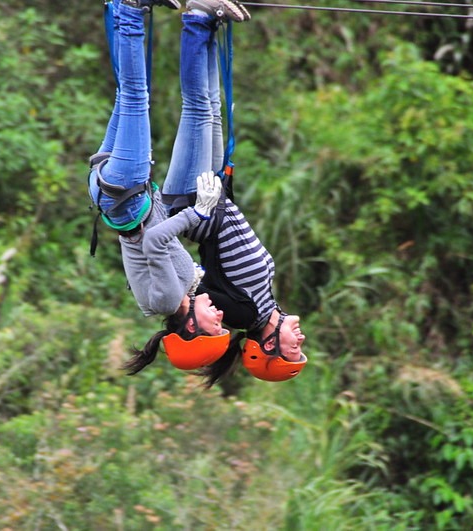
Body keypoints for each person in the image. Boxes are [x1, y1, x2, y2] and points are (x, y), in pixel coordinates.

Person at [128, 0, 308, 385]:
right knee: (209, 107)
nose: (301, 339)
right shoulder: (263, 306)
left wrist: (198, 215)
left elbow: (197, 286)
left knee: (198, 109)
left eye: (294, 347)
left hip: (196, 201)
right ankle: (206, 22)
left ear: (268, 346)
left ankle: (196, 19)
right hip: (214, 197)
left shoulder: (240, 316)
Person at [87, 0, 231, 371]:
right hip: (117, 196)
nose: (219, 316)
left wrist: (199, 211)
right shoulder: (172, 298)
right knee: (125, 96)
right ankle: (125, 10)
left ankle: (131, 10)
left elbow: (153, 241)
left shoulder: (168, 301)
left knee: (136, 96)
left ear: (191, 328)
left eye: (214, 326)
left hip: (128, 196)